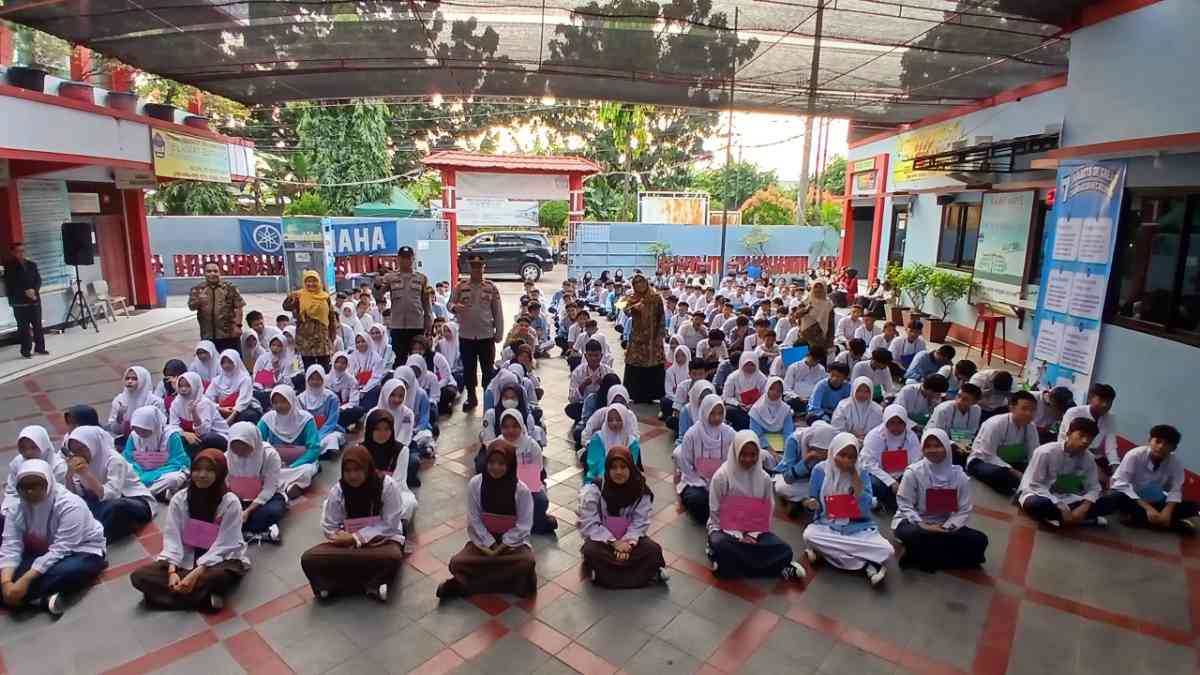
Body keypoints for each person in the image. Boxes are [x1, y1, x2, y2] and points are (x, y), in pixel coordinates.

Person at [129, 450, 249, 611]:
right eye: (197, 469)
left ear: (220, 473)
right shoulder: (180, 499)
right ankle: (202, 600)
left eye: (209, 470)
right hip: (184, 557)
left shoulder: (230, 502)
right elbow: (173, 538)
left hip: (217, 560)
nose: (202, 475)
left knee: (220, 575)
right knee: (139, 576)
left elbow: (227, 542)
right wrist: (172, 572)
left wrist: (197, 572)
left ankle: (159, 598)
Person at [0, 459, 106, 616]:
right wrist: (6, 583)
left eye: (36, 486)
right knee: (10, 575)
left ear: (48, 483)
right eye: (24, 487)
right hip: (42, 551)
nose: (30, 492)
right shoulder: (17, 507)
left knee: (70, 570)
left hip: (81, 551)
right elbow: (11, 546)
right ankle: (39, 599)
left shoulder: (70, 505)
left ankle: (20, 598)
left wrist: (24, 580)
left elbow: (61, 549)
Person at [301, 447, 407, 602]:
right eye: (348, 471)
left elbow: (390, 524)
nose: (352, 476)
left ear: (367, 467)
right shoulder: (338, 491)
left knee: (392, 556)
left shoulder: (387, 486)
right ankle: (371, 582)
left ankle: (337, 584)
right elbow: (330, 524)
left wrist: (356, 538)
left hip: (380, 542)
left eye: (358, 470)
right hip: (346, 547)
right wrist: (341, 537)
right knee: (309, 558)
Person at [436, 445, 538, 599]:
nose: (495, 467)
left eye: (501, 464)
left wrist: (500, 547)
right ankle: (511, 583)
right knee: (457, 562)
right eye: (491, 462)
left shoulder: (521, 490)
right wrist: (489, 545)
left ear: (510, 465)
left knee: (527, 561)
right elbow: (474, 519)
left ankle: (466, 585)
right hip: (483, 545)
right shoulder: (476, 484)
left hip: (511, 547)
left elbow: (523, 525)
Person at [706, 431, 806, 580]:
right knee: (720, 544)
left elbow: (767, 510)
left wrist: (752, 535)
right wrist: (738, 535)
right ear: (735, 452)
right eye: (743, 454)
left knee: (785, 549)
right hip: (725, 529)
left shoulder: (764, 478)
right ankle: (775, 568)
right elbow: (715, 511)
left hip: (755, 529)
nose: (748, 459)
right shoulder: (722, 477)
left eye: (753, 455)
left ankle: (729, 566)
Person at [801, 433, 894, 587]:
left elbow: (865, 507)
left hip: (856, 527)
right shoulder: (820, 470)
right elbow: (813, 498)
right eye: (842, 455)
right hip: (827, 525)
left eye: (852, 457)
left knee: (888, 550)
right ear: (833, 452)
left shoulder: (862, 472)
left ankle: (824, 553)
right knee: (809, 535)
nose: (846, 461)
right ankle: (866, 564)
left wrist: (854, 476)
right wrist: (811, 503)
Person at [892, 429, 989, 572]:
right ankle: (940, 557)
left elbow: (964, 509)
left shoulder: (959, 476)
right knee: (916, 535)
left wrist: (946, 527)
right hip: (914, 522)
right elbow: (905, 504)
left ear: (946, 447)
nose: (932, 450)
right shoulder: (913, 472)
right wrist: (922, 524)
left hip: (945, 524)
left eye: (937, 445)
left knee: (980, 539)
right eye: (928, 446)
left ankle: (921, 556)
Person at [576, 445, 666, 588]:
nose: (619, 472)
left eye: (623, 467)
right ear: (607, 469)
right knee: (591, 550)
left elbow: (639, 523)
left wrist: (628, 543)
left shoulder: (640, 490)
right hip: (604, 541)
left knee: (653, 550)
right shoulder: (595, 490)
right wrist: (614, 542)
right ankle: (641, 574)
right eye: (613, 467)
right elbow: (590, 524)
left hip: (630, 541)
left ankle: (604, 575)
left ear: (631, 467)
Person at [1017, 418, 1117, 528]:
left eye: (1089, 438)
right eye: (1081, 435)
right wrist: (1060, 505)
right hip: (1040, 494)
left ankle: (1058, 519)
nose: (1085, 441)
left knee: (1111, 502)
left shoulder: (1089, 458)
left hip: (1069, 496)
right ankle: (1082, 520)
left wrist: (1084, 507)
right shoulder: (1045, 452)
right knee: (1038, 504)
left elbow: (1094, 487)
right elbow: (1035, 485)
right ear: (1068, 434)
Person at [64, 426, 155, 542]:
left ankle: (94, 538)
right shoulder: (82, 463)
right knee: (73, 508)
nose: (78, 454)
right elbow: (75, 496)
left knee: (115, 507)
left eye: (81, 449)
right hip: (100, 503)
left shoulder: (114, 460)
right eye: (74, 451)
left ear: (93, 444)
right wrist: (69, 476)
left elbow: (113, 495)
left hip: (131, 500)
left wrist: (86, 474)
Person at [1110, 425, 1198, 533]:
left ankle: (1141, 520)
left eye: (1167, 444)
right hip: (1131, 497)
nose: (1161, 446)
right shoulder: (1134, 455)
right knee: (1117, 499)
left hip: (1154, 498)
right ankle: (1171, 524)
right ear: (1149, 441)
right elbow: (1121, 484)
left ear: (1173, 448)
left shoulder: (1176, 462)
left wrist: (1167, 511)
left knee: (1192, 507)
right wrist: (1148, 508)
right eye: (1158, 441)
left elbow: (1176, 489)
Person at [449, 255, 504, 411]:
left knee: (487, 369)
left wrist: (499, 332)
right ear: (469, 268)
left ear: (483, 268)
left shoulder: (490, 287)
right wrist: (455, 307)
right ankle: (471, 397)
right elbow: (449, 303)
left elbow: (497, 312)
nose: (476, 269)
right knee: (468, 368)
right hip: (466, 335)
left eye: (479, 266)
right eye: (473, 266)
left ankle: (489, 397)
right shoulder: (460, 286)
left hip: (485, 335)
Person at [493, 410, 557, 533]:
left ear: (522, 426)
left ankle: (535, 525)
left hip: (528, 486)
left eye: (515, 426)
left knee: (540, 501)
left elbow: (537, 471)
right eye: (506, 427)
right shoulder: (497, 445)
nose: (510, 430)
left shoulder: (531, 445)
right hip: (502, 485)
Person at [675, 394, 734, 525]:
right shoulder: (692, 433)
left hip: (722, 479)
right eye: (712, 413)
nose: (717, 418)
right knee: (697, 500)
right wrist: (700, 480)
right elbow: (685, 462)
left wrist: (720, 480)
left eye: (720, 413)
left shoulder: (729, 433)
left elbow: (735, 458)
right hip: (696, 480)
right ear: (704, 412)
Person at [966, 391, 1039, 496]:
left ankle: (1018, 487)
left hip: (1011, 463)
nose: (1029, 414)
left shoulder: (1031, 427)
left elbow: (1034, 453)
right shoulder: (995, 424)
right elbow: (988, 454)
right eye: (1024, 409)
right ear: (1012, 407)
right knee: (1002, 475)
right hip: (983, 461)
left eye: (1032, 410)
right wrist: (1013, 472)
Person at [225, 422, 286, 544]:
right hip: (238, 499)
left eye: (244, 446)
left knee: (272, 511)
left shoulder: (269, 455)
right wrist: (235, 507)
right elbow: (226, 486)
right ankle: (256, 533)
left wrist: (248, 511)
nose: (239, 451)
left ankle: (240, 532)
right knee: (224, 514)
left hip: (266, 499)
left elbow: (270, 487)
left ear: (253, 441)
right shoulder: (227, 456)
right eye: (235, 446)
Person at [257, 385, 321, 499]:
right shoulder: (267, 419)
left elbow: (314, 448)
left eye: (283, 401)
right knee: (262, 471)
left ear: (291, 400)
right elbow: (258, 442)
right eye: (275, 402)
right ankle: (289, 485)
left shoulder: (306, 419)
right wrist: (272, 461)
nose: (279, 406)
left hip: (299, 463)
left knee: (306, 471)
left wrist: (293, 465)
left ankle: (285, 486)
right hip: (275, 461)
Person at [858, 404, 921, 513]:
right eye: (891, 423)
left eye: (900, 423)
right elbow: (869, 464)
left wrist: (904, 479)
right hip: (880, 474)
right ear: (885, 421)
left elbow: (915, 462)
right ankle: (885, 501)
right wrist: (890, 481)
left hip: (903, 474)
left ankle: (894, 502)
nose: (896, 427)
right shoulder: (875, 436)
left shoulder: (911, 437)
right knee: (873, 484)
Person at [378, 246, 434, 367]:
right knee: (399, 358)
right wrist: (378, 283)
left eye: (408, 258)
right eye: (403, 258)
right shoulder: (390, 278)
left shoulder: (421, 278)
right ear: (398, 259)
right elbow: (379, 294)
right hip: (398, 325)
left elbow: (427, 304)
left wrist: (429, 324)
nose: (406, 261)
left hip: (416, 324)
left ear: (413, 259)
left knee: (418, 357)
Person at [3, 426, 67, 530]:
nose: (28, 452)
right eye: (23, 448)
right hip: (23, 509)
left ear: (44, 446)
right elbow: (12, 492)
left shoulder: (58, 466)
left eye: (33, 447)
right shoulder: (18, 462)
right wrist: (9, 511)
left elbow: (58, 496)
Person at [122, 406, 190, 501]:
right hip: (140, 473)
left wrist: (155, 474)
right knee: (123, 476)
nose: (140, 433)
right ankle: (156, 493)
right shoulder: (134, 436)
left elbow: (178, 461)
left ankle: (139, 493)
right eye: (137, 429)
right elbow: (128, 459)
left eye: (144, 429)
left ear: (154, 425)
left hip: (165, 472)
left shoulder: (171, 436)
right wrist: (139, 472)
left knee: (174, 479)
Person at [361, 409, 420, 511]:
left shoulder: (402, 450)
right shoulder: (360, 449)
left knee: (409, 503)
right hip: (365, 491)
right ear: (370, 429)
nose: (382, 433)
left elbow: (398, 481)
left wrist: (381, 497)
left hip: (393, 492)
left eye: (387, 429)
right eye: (377, 429)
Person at [1058, 383, 1119, 480]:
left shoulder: (1110, 417)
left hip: (1094, 456)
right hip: (1069, 453)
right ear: (1090, 398)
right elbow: (1072, 441)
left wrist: (1115, 469)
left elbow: (1111, 446)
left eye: (1109, 402)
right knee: (1091, 479)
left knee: (1115, 479)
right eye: (1102, 400)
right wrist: (1096, 469)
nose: (1105, 405)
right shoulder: (1074, 412)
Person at [624, 274, 668, 404]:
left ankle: (651, 395)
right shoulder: (631, 298)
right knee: (636, 365)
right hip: (637, 339)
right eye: (636, 283)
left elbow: (662, 316)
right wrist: (633, 307)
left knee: (653, 365)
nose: (639, 285)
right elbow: (620, 307)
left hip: (653, 337)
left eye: (641, 282)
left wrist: (660, 334)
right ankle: (636, 395)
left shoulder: (655, 297)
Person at [282, 270, 339, 371]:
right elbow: (286, 307)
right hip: (305, 339)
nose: (311, 284)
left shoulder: (325, 297)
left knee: (325, 367)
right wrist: (291, 297)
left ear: (319, 282)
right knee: (308, 367)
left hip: (321, 338)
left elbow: (331, 317)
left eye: (314, 281)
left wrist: (332, 336)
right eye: (308, 281)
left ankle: (325, 386)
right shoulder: (299, 296)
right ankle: (309, 386)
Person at [774, 422, 837, 511]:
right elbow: (788, 478)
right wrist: (806, 460)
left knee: (831, 490)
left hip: (816, 482)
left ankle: (800, 502)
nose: (821, 456)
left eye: (824, 452)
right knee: (781, 488)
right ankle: (805, 502)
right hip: (796, 482)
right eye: (817, 450)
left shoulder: (833, 447)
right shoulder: (794, 440)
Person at [188, 261, 246, 355]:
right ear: (204, 273)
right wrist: (199, 300)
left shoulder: (230, 288)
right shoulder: (198, 289)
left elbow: (238, 307)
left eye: (215, 271)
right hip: (208, 335)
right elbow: (191, 307)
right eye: (209, 271)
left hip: (229, 335)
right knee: (210, 363)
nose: (212, 274)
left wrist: (238, 326)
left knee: (232, 361)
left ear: (220, 272)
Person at [4, 241, 48, 358]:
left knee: (37, 325)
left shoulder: (32, 264)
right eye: (18, 251)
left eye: (23, 251)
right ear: (13, 252)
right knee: (23, 327)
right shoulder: (9, 267)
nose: (21, 254)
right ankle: (26, 350)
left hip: (34, 299)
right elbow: (11, 284)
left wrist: (34, 290)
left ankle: (40, 348)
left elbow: (38, 280)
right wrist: (25, 292)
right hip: (19, 302)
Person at [583, 399, 642, 484]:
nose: (614, 423)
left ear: (625, 420)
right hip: (600, 477)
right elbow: (595, 462)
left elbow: (631, 465)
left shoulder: (632, 442)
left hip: (625, 477)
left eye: (618, 420)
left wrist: (619, 476)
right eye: (610, 420)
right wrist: (608, 476)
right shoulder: (598, 438)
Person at [170, 372, 230, 455]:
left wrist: (194, 412)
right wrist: (184, 434)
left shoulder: (204, 403)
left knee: (204, 439)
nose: (183, 389)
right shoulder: (176, 403)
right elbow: (173, 425)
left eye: (187, 386)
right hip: (192, 436)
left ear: (195, 386)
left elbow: (204, 432)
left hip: (216, 436)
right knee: (176, 438)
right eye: (180, 386)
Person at [107, 366, 166, 444]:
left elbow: (161, 428)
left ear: (143, 380)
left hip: (154, 442)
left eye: (134, 378)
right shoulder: (119, 400)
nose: (130, 381)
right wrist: (119, 417)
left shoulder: (155, 402)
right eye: (127, 378)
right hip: (127, 442)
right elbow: (116, 431)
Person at [928, 382, 983, 463]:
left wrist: (963, 445)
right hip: (936, 440)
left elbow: (971, 431)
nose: (959, 401)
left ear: (974, 402)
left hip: (960, 441)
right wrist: (954, 445)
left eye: (965, 399)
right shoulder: (943, 410)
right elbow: (936, 434)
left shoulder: (976, 410)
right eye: (958, 396)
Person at [298, 365, 345, 458]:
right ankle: (317, 452)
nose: (315, 382)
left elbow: (332, 421)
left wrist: (318, 436)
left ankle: (316, 452)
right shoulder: (300, 398)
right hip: (308, 432)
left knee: (333, 438)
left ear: (323, 380)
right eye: (312, 379)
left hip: (328, 431)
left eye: (318, 379)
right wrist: (311, 435)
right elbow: (300, 420)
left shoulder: (331, 397)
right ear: (307, 379)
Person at [206, 350, 259, 426]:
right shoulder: (217, 380)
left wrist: (231, 417)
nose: (226, 365)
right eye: (223, 363)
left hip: (242, 409)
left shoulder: (244, 378)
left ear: (236, 362)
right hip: (222, 408)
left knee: (247, 415)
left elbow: (243, 401)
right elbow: (207, 398)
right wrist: (220, 409)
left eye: (230, 362)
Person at [721, 352, 768, 431]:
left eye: (752, 365)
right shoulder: (733, 377)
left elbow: (765, 396)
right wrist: (738, 404)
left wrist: (753, 405)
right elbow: (726, 396)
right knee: (728, 410)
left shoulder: (762, 378)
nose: (749, 367)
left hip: (757, 408)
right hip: (739, 408)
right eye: (746, 364)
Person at [748, 376, 794, 453]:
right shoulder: (756, 409)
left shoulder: (785, 409)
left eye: (779, 390)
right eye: (771, 389)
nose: (775, 392)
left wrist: (787, 450)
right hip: (762, 445)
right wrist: (769, 448)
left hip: (782, 444)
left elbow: (788, 432)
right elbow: (756, 434)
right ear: (766, 389)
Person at [779, 344, 827, 414]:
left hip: (813, 399)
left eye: (817, 361)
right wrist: (798, 397)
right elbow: (786, 388)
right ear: (808, 355)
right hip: (796, 399)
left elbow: (822, 387)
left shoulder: (821, 369)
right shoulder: (794, 367)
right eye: (813, 360)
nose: (815, 363)